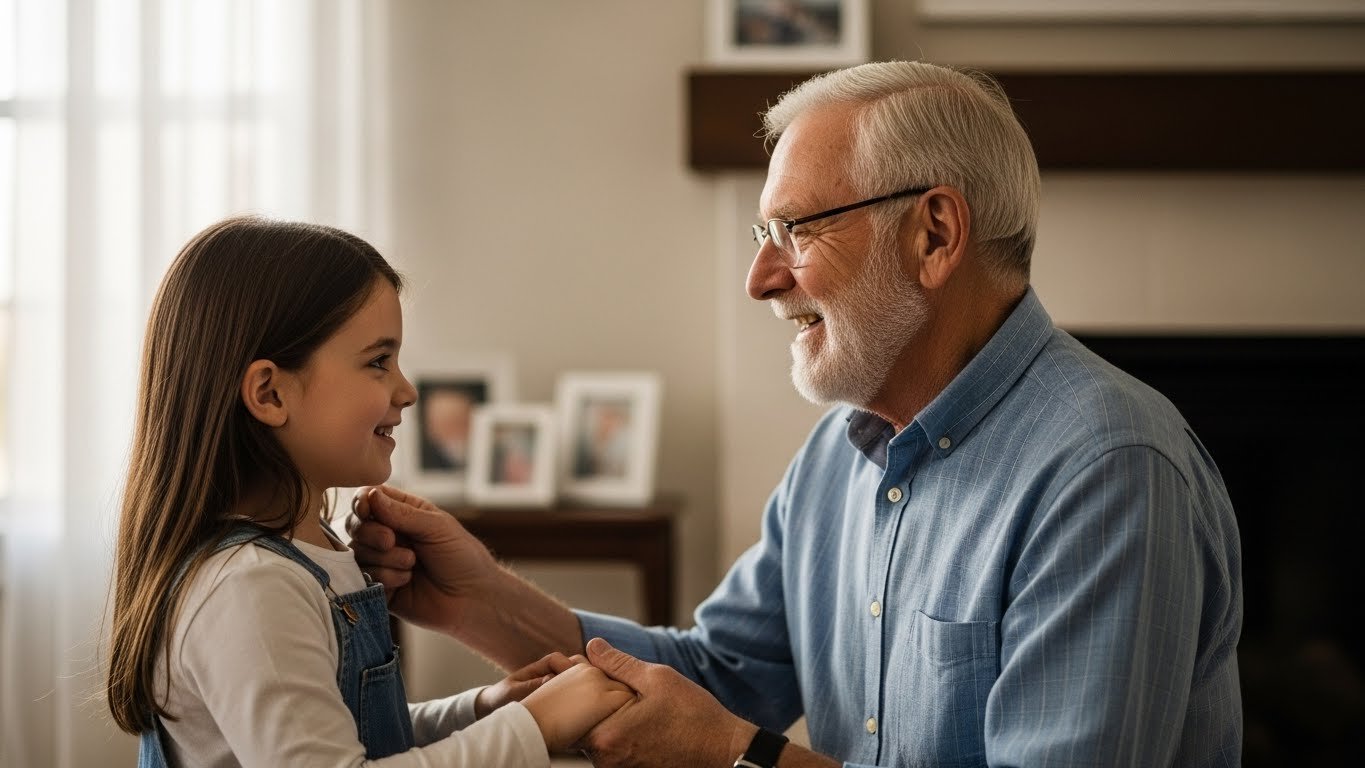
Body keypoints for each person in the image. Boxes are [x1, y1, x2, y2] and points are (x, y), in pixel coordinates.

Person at [349, 60, 1243, 767]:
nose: (760, 278)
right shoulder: (839, 454)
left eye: (797, 231)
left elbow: (722, 727)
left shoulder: (1108, 470)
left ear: (933, 235)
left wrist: (736, 758)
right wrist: (479, 602)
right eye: (760, 236)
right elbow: (720, 677)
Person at [104, 215, 633, 767]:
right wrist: (533, 728)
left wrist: (488, 709)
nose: (406, 390)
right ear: (269, 393)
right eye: (378, 362)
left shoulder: (308, 553)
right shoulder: (251, 586)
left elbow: (355, 731)